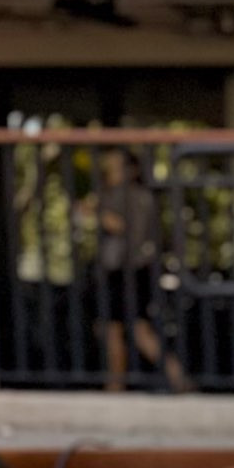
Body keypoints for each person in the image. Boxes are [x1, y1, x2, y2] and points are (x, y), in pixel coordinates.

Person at [88, 148, 186, 391]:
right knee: (118, 330)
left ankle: (175, 379)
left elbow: (123, 227)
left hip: (127, 272)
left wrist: (96, 211)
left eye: (115, 167)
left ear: (130, 170)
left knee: (132, 330)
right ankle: (119, 385)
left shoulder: (131, 197)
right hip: (127, 271)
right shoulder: (129, 195)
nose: (109, 172)